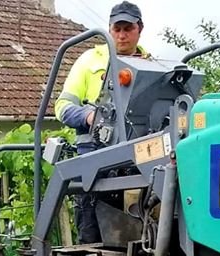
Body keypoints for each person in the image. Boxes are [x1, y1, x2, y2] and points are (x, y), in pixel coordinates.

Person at [55, 1, 150, 243]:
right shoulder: (90, 60)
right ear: (109, 30)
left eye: (128, 28)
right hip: (94, 158)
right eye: (116, 29)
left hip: (137, 160)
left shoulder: (150, 65)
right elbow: (62, 107)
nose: (121, 35)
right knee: (91, 234)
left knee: (141, 227)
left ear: (140, 29)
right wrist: (88, 117)